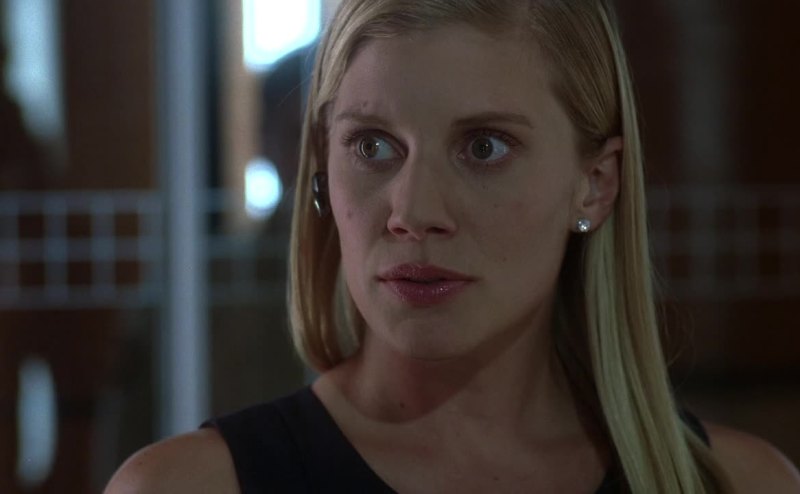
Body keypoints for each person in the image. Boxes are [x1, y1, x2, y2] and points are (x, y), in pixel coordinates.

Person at [106, 0, 800, 492]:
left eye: (484, 147)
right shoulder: (187, 486)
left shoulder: (738, 484)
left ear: (595, 184)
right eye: (372, 146)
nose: (413, 212)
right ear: (322, 162)